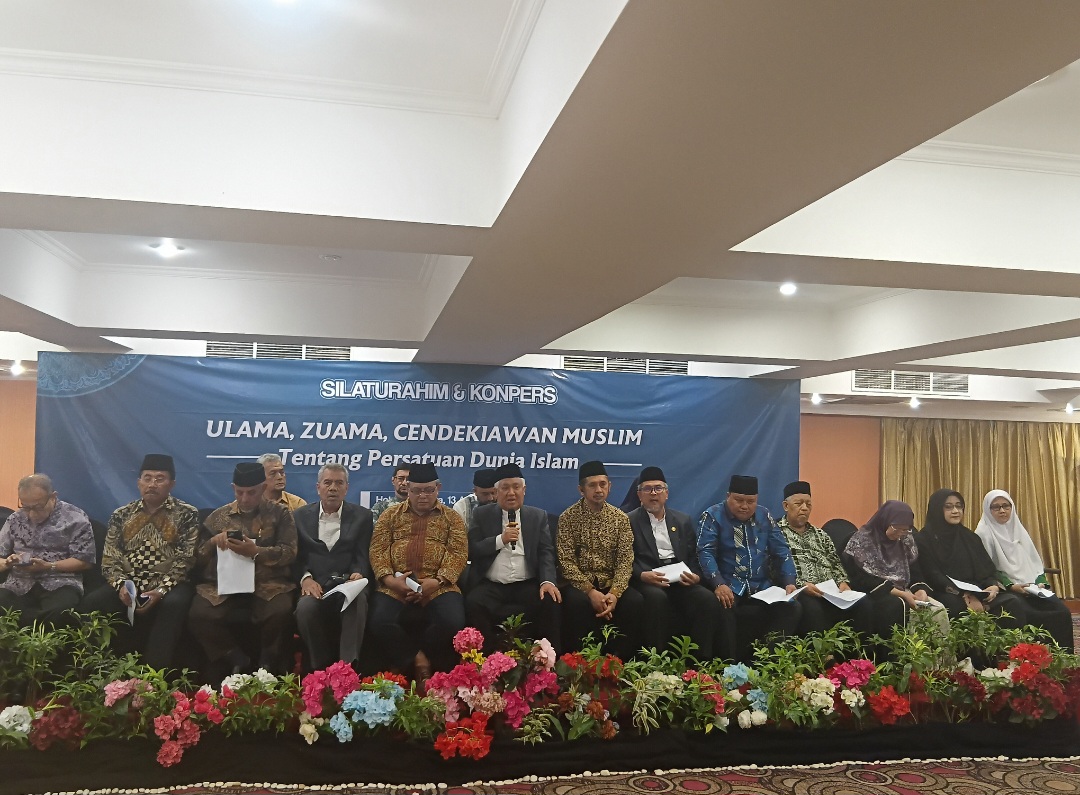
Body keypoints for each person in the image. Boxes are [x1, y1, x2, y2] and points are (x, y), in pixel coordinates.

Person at [80, 454, 199, 669]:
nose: (152, 484)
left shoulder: (187, 514)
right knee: (93, 603)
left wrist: (160, 591)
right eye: (147, 478)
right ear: (138, 483)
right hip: (128, 582)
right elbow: (110, 558)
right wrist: (121, 586)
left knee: (174, 604)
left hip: (169, 583)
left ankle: (154, 675)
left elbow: (186, 559)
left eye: (160, 479)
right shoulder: (122, 514)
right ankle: (99, 672)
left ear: (172, 484)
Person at [188, 462, 298, 679]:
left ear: (263, 487)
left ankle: (267, 661)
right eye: (240, 492)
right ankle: (235, 657)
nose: (245, 498)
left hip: (267, 583)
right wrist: (212, 542)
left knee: (281, 609)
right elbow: (196, 558)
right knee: (198, 614)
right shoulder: (219, 517)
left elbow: (289, 552)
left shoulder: (281, 514)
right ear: (233, 488)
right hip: (223, 583)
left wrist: (256, 552)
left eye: (251, 492)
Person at [368, 463, 467, 678]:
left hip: (438, 585)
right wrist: (390, 580)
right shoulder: (390, 515)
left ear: (438, 488)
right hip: (395, 585)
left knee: (453, 621)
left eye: (428, 490)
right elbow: (378, 549)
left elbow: (458, 553)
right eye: (416, 490)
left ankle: (421, 658)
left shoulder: (452, 518)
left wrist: (437, 581)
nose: (422, 496)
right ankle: (417, 659)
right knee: (377, 620)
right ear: (408, 489)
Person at [697, 475, 801, 660]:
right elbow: (705, 552)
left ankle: (766, 662)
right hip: (729, 584)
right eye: (739, 500)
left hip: (760, 586)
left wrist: (789, 582)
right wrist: (718, 583)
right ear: (728, 496)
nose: (745, 506)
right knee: (723, 609)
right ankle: (728, 667)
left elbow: (781, 551)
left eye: (751, 501)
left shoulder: (764, 515)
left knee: (792, 608)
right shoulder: (712, 516)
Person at [465, 463, 561, 650]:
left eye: (516, 487)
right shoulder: (481, 514)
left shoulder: (537, 516)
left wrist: (547, 581)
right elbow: (473, 549)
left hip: (526, 584)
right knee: (473, 602)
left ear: (524, 490)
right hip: (491, 585)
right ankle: (486, 659)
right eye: (505, 488)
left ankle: (547, 658)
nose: (511, 493)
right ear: (496, 492)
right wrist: (500, 540)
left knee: (550, 600)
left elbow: (546, 552)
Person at [627, 466, 720, 658]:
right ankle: (657, 661)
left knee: (706, 599)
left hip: (680, 577)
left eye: (658, 488)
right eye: (647, 489)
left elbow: (694, 556)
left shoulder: (682, 520)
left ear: (667, 493)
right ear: (639, 495)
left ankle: (700, 662)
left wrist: (696, 576)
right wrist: (642, 575)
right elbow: (625, 558)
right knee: (656, 598)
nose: (653, 493)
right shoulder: (629, 521)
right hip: (648, 577)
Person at [556, 461, 643, 659]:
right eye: (592, 485)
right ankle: (580, 662)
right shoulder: (568, 518)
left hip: (611, 584)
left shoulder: (620, 519)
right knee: (577, 604)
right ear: (581, 490)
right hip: (580, 585)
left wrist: (614, 593)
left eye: (603, 484)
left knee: (635, 601)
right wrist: (590, 591)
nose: (598, 490)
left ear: (609, 487)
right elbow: (566, 561)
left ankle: (621, 661)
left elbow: (625, 561)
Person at [292, 463, 374, 671]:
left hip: (348, 583)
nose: (333, 488)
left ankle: (347, 669)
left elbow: (362, 554)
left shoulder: (362, 516)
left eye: (339, 483)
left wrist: (358, 572)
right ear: (318, 487)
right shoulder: (299, 517)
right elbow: (297, 557)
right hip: (316, 584)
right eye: (327, 483)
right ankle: (320, 669)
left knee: (357, 600)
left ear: (347, 488)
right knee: (305, 608)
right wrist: (305, 579)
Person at [976, 489, 1073, 649]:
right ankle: (1027, 658)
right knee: (1025, 612)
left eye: (1006, 506)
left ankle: (1060, 659)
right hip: (1005, 589)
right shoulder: (983, 534)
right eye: (996, 507)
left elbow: (1034, 562)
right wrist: (1011, 585)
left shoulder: (1017, 529)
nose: (1002, 510)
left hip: (1032, 588)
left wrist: (1041, 582)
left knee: (1061, 611)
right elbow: (986, 568)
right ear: (987, 509)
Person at [915, 489, 1024, 630]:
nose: (955, 511)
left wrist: (992, 586)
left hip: (977, 590)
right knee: (956, 607)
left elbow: (987, 568)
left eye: (958, 506)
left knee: (1012, 601)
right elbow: (933, 574)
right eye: (948, 507)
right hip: (946, 591)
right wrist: (963, 594)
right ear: (937, 509)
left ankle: (1010, 644)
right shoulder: (924, 539)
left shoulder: (970, 537)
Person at [778, 481, 874, 639]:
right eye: (799, 503)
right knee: (813, 609)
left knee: (863, 603)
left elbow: (835, 562)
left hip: (830, 591)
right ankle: (824, 653)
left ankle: (859, 653)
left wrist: (843, 583)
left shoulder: (821, 535)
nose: (804, 508)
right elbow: (775, 566)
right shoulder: (776, 533)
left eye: (808, 504)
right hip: (802, 590)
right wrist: (802, 585)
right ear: (786, 506)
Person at [842, 500, 949, 636]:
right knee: (897, 606)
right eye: (896, 527)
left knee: (937, 609)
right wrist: (902, 594)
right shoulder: (862, 541)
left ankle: (936, 650)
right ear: (884, 521)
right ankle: (897, 650)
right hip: (876, 592)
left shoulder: (905, 540)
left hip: (904, 590)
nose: (900, 533)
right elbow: (862, 580)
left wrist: (920, 590)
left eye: (905, 529)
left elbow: (914, 572)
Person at [0, 474, 95, 626]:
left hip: (60, 581)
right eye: (26, 507)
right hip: (19, 582)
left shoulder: (75, 518)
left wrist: (49, 566)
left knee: (59, 612)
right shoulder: (15, 519)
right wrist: (7, 562)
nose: (31, 514)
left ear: (53, 497)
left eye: (37, 507)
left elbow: (84, 561)